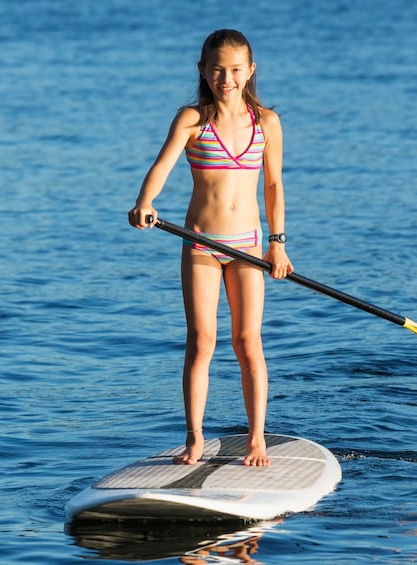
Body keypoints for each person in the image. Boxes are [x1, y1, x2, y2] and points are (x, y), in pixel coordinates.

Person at [128, 29, 292, 467]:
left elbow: (274, 186)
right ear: (202, 70)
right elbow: (161, 167)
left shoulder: (266, 122)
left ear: (250, 71)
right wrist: (145, 202)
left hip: (249, 249)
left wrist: (277, 244)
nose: (227, 78)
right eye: (217, 69)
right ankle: (195, 438)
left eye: (236, 69)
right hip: (201, 244)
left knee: (247, 342)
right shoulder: (191, 119)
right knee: (202, 341)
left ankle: (256, 438)